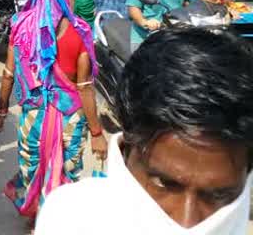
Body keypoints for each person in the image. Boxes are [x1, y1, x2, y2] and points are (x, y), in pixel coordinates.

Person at [36, 28, 253, 234]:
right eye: (163, 183)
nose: (186, 224)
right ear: (125, 151)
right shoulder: (67, 220)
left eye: (218, 195)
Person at [0, 0, 106, 223]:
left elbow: (8, 73)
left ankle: (35, 216)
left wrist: (1, 111)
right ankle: (54, 221)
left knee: (32, 165)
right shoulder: (80, 31)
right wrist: (97, 133)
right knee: (68, 168)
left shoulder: (19, 27)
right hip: (70, 117)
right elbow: (85, 87)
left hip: (33, 116)